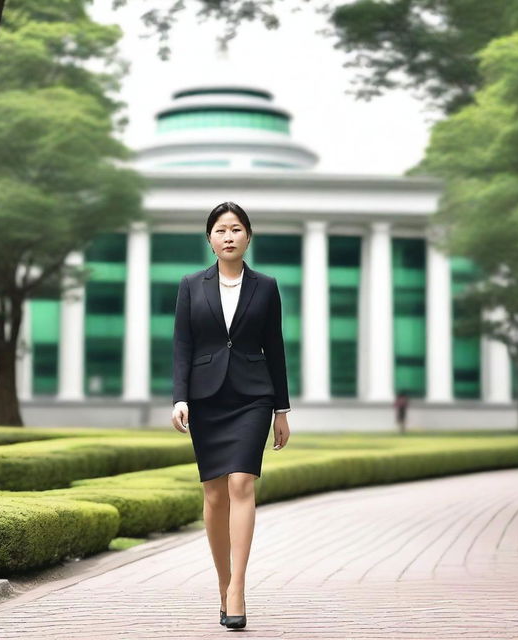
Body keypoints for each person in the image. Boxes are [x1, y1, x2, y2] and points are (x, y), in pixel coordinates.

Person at [171, 201, 291, 629]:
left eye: (236, 229)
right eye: (221, 230)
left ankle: (238, 586)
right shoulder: (190, 285)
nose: (228, 236)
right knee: (215, 495)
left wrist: (281, 408)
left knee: (241, 482)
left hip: (253, 397)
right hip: (205, 399)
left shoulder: (266, 286)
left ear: (248, 237)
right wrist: (179, 397)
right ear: (209, 238)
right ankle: (223, 584)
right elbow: (183, 346)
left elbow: (274, 347)